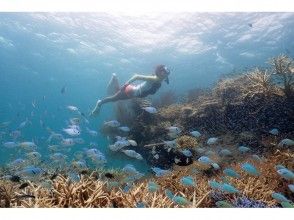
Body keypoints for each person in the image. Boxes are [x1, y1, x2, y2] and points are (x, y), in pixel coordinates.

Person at [90, 64, 170, 116]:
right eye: (164, 72)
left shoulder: (161, 78)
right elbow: (137, 76)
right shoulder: (154, 78)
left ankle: (115, 78)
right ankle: (99, 103)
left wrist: (166, 79)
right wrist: (126, 84)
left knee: (118, 93)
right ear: (159, 72)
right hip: (131, 91)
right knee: (113, 98)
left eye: (167, 72)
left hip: (134, 92)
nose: (166, 73)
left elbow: (164, 77)